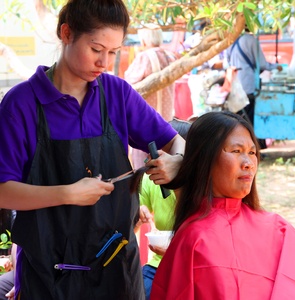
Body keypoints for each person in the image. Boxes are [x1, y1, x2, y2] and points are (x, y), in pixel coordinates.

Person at [0, 0, 185, 299]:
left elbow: (176, 141)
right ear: (67, 33)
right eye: (96, 49)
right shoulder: (20, 104)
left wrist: (178, 161)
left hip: (116, 272)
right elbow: (3, 191)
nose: (105, 63)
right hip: (46, 275)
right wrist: (67, 193)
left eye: (113, 52)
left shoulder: (117, 94)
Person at [150, 111, 295, 299]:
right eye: (236, 150)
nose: (248, 163)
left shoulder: (279, 229)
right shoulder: (192, 239)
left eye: (252, 153)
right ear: (205, 159)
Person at [135, 118, 191, 299]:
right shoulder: (152, 179)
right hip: (159, 264)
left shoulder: (201, 185)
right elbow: (134, 222)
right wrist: (138, 211)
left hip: (192, 265)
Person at [124, 23, 178, 169]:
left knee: (144, 167)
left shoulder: (144, 57)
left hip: (145, 123)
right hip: (167, 120)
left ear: (144, 39)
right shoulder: (170, 56)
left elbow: (127, 86)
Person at [225, 28, 282, 149]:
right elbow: (262, 64)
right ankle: (254, 147)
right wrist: (277, 67)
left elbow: (227, 62)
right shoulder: (251, 40)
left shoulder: (231, 40)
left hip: (235, 84)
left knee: (238, 117)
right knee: (249, 119)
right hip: (248, 84)